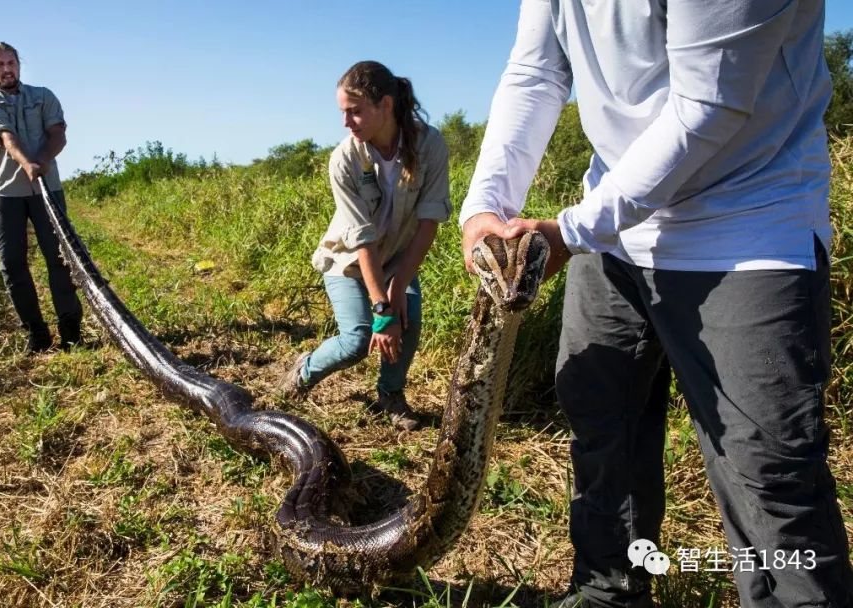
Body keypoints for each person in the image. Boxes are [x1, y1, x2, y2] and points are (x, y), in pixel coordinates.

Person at [460, 1, 853, 606]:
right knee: (601, 423)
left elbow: (708, 104)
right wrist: (487, 203)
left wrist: (570, 232)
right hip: (614, 227)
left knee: (766, 467)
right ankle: (605, 593)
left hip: (746, 224)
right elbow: (536, 72)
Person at [276, 61, 452, 431]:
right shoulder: (345, 158)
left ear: (385, 105)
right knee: (357, 340)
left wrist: (400, 287)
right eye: (343, 112)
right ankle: (304, 371)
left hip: (398, 257)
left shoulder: (429, 144)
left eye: (355, 111)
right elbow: (362, 239)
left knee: (410, 321)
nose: (346, 122)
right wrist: (382, 307)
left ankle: (390, 394)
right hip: (349, 261)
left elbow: (429, 221)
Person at [0, 42, 82, 353]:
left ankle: (71, 330)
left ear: (19, 65)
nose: (7, 69)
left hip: (48, 188)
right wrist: (26, 162)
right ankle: (37, 334)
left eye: (11, 62)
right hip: (5, 191)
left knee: (61, 258)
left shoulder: (43, 96)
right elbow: (6, 136)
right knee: (12, 264)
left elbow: (58, 133)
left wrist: (43, 160)